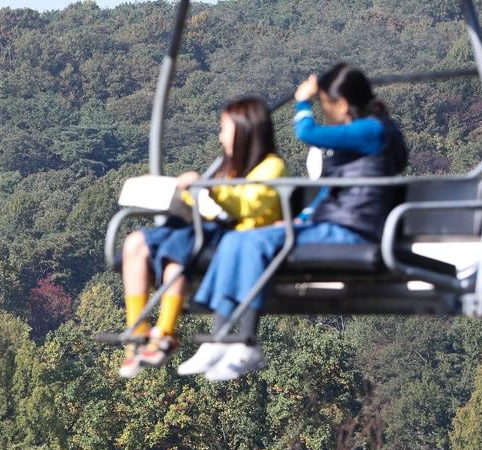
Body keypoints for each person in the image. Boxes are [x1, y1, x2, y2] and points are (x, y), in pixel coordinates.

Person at [180, 63, 409, 381]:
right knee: (237, 239)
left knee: (253, 242)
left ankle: (247, 341)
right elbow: (330, 193)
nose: (324, 113)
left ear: (341, 104)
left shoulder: (373, 130)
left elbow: (306, 132)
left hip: (354, 230)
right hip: (332, 224)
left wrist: (303, 101)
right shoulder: (357, 146)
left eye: (324, 106)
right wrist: (297, 221)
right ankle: (219, 337)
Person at [119, 95, 285, 378]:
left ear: (244, 130)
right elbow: (209, 203)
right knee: (134, 244)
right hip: (204, 227)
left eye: (225, 129)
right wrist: (184, 194)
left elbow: (249, 204)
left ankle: (166, 333)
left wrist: (208, 190)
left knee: (177, 253)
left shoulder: (271, 166)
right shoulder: (227, 167)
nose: (221, 137)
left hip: (236, 235)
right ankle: (138, 330)